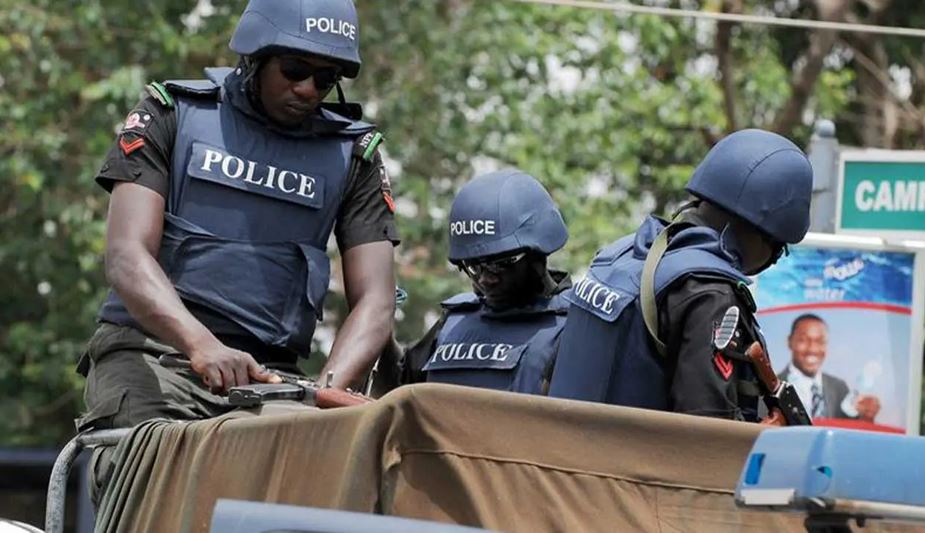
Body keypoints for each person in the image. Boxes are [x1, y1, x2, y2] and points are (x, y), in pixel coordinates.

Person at [77, 0, 399, 439]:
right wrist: (202, 345)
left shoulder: (354, 155)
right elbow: (126, 256)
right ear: (255, 57)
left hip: (271, 378)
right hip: (154, 353)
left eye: (325, 79)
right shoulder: (171, 112)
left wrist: (326, 394)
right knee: (157, 466)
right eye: (294, 70)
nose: (308, 89)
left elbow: (376, 301)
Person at [549, 129, 814, 422]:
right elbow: (707, 427)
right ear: (762, 234)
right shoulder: (710, 292)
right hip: (630, 452)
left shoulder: (619, 256)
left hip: (563, 446)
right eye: (778, 249)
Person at [380, 169, 571, 394]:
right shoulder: (455, 321)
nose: (485, 279)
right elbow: (397, 390)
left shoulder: (574, 325)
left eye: (499, 264)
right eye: (473, 266)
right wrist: (379, 324)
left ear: (537, 254)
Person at [780, 314, 881, 421]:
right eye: (803, 340)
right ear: (789, 341)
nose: (813, 349)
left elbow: (847, 425)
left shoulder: (839, 387)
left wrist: (865, 416)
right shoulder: (773, 387)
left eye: (820, 341)